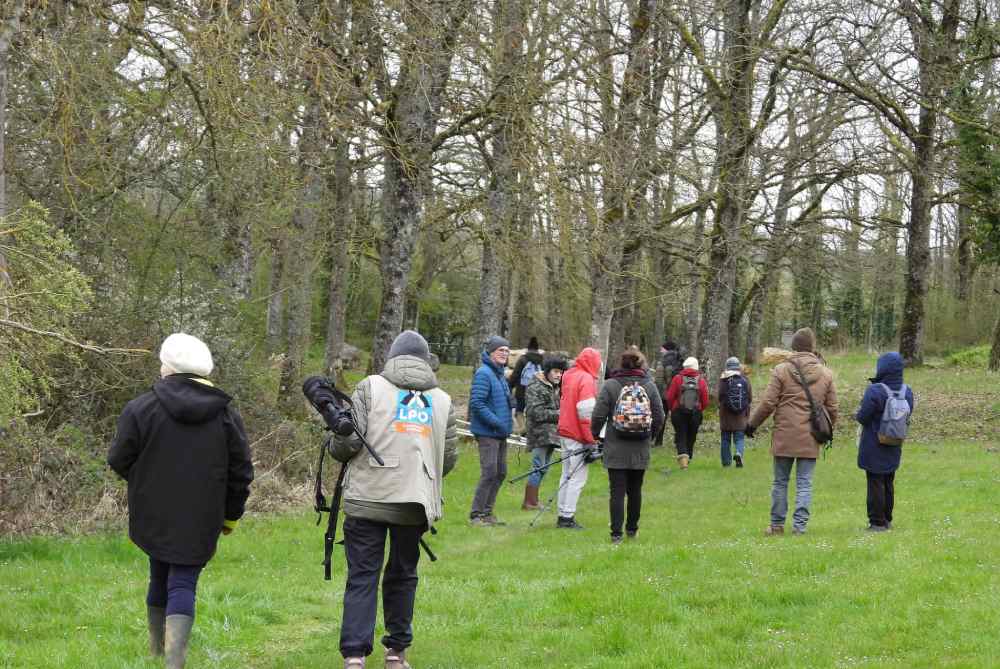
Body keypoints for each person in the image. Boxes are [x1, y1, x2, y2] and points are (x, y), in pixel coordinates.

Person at [107, 333, 253, 669]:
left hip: (152, 512)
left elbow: (119, 459)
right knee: (183, 580)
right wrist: (230, 517)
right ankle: (172, 661)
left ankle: (160, 653)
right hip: (203, 516)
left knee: (159, 575)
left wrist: (147, 484)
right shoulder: (226, 414)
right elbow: (241, 472)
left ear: (168, 367)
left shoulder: (141, 408)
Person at [329, 330, 458, 669]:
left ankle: (355, 656)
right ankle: (396, 653)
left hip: (367, 497)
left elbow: (347, 445)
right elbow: (448, 460)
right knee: (403, 575)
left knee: (363, 575)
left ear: (392, 357)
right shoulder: (443, 400)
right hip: (414, 503)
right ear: (427, 361)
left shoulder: (370, 387)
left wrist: (331, 442)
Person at [746, 327, 838, 536]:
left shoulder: (781, 370)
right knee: (805, 483)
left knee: (780, 481)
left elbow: (769, 403)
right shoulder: (825, 373)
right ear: (812, 347)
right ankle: (800, 527)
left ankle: (777, 525)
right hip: (811, 435)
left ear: (794, 347)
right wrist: (827, 430)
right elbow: (833, 408)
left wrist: (752, 424)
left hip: (784, 434)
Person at [590, 346, 664, 543]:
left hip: (615, 446)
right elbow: (660, 415)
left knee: (617, 491)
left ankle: (616, 534)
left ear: (620, 364)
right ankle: (632, 529)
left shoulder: (611, 385)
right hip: (640, 446)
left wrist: (596, 435)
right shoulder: (649, 385)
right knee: (635, 490)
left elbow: (598, 415)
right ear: (642, 364)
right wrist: (650, 435)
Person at [855, 351, 914, 532]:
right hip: (894, 442)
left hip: (874, 444)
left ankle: (876, 522)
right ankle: (887, 519)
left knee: (875, 483)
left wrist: (857, 414)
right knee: (888, 481)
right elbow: (908, 413)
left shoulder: (875, 391)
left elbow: (863, 417)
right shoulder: (907, 392)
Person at [468, 335, 514, 526]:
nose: (504, 353)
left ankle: (487, 513)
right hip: (488, 432)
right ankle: (476, 515)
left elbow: (501, 401)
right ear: (491, 352)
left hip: (500, 432)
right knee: (489, 472)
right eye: (500, 350)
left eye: (506, 350)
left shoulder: (499, 374)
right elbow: (477, 403)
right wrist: (496, 422)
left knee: (501, 472)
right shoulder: (484, 373)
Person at [555, 346, 603, 529]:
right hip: (577, 434)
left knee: (566, 474)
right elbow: (586, 414)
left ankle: (562, 512)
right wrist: (591, 440)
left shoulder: (569, 375)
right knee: (577, 477)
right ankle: (567, 516)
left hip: (564, 430)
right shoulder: (586, 379)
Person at [521, 355, 568, 510]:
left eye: (560, 372)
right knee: (538, 466)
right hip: (539, 434)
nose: (558, 375)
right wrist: (560, 414)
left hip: (551, 434)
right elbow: (536, 412)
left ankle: (534, 500)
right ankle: (529, 502)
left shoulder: (553, 387)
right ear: (547, 371)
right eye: (555, 371)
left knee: (544, 468)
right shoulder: (536, 386)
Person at [665, 356, 709, 469]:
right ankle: (688, 457)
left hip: (678, 412)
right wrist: (699, 409)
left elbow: (669, 397)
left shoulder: (677, 378)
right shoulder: (701, 380)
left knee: (681, 435)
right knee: (691, 436)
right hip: (695, 412)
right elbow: (705, 400)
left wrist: (672, 409)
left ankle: (683, 461)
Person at [718, 356, 753, 467]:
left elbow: (719, 396)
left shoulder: (723, 380)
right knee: (739, 438)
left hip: (726, 416)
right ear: (738, 367)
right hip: (741, 415)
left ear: (727, 367)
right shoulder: (745, 379)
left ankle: (726, 463)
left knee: (725, 439)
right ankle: (738, 453)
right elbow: (749, 397)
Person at [509, 336, 543, 434]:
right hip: (537, 391)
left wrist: (510, 386)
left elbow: (515, 374)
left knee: (519, 410)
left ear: (528, 348)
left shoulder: (523, 359)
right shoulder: (542, 360)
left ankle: (523, 428)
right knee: (532, 411)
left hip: (522, 390)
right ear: (537, 348)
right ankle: (532, 430)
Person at [653, 340, 684, 447]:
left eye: (662, 348)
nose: (660, 350)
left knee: (662, 416)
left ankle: (658, 441)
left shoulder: (663, 361)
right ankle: (678, 441)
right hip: (678, 394)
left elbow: (659, 380)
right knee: (678, 418)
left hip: (664, 395)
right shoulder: (680, 359)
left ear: (666, 349)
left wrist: (657, 392)